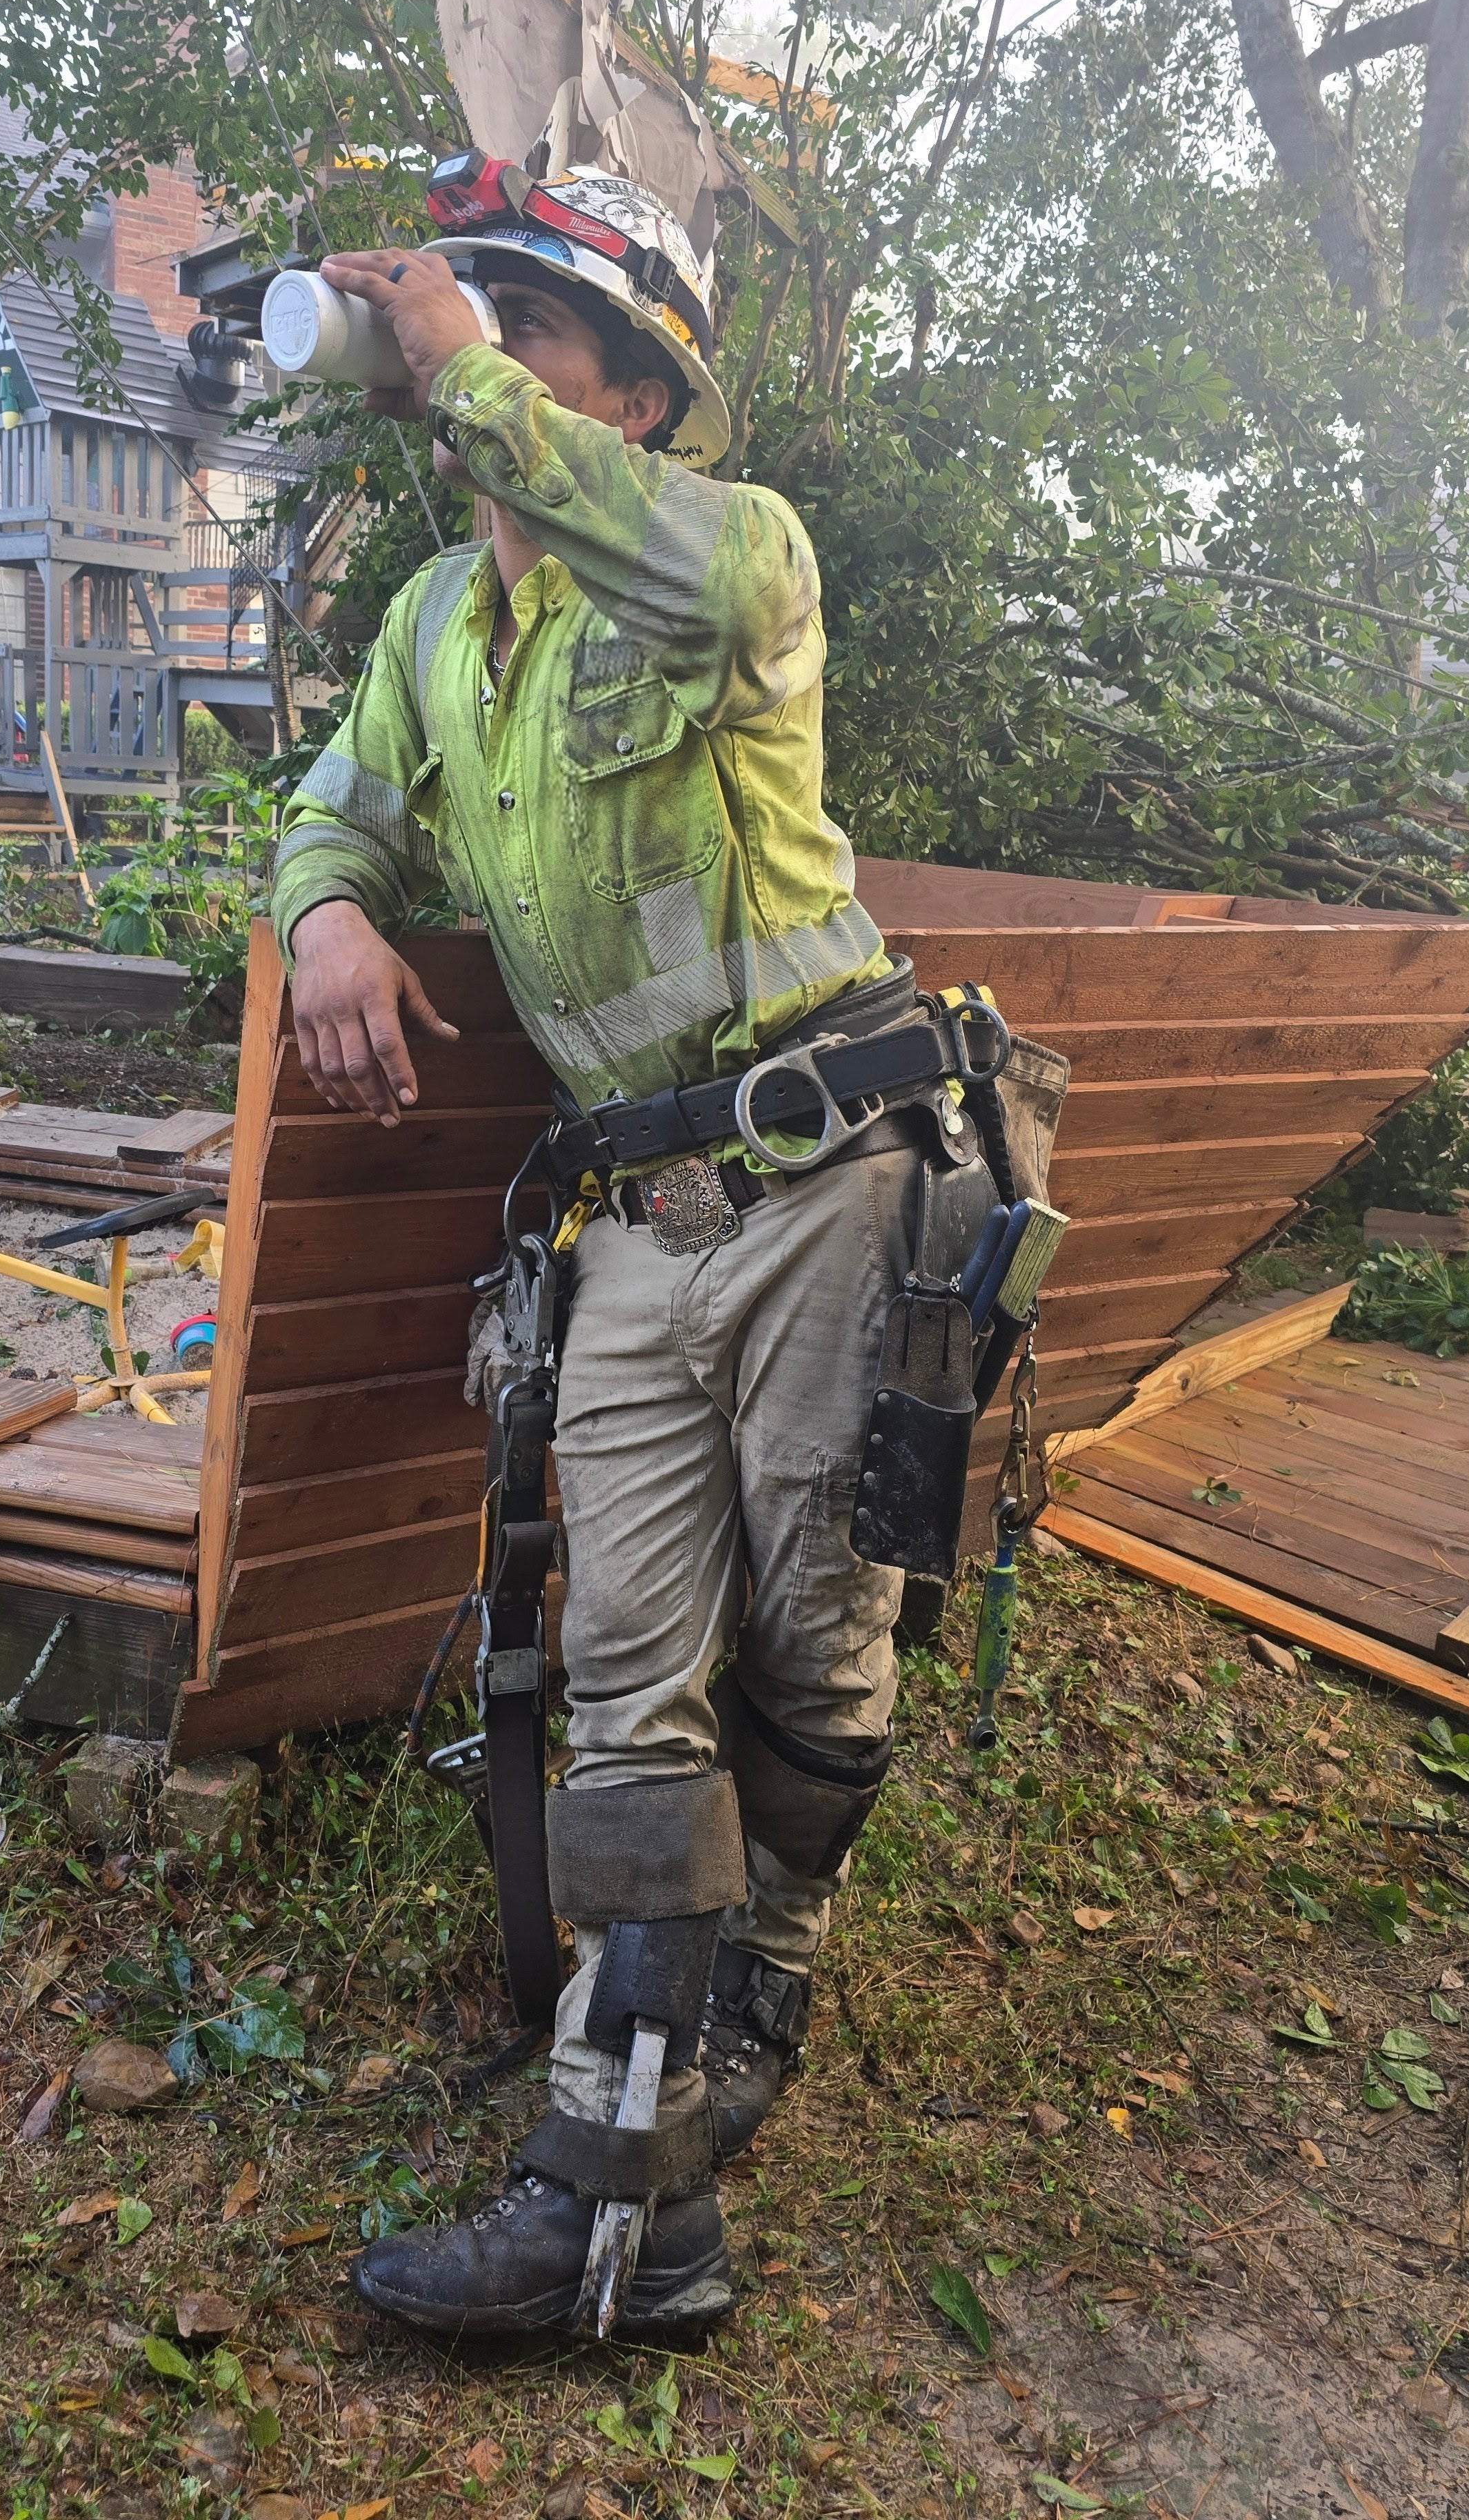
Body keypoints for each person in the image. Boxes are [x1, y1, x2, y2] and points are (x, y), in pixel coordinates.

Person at [273, 166, 992, 2336]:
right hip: (631, 1221)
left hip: (832, 1175)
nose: (465, 356)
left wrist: (460, 366)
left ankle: (748, 2003)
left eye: (522, 331)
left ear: (635, 395)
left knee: (816, 1648)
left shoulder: (727, 558)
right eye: (459, 321)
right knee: (624, 1677)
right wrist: (322, 912)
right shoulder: (428, 627)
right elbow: (332, 801)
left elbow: (636, 523)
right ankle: (629, 2197)